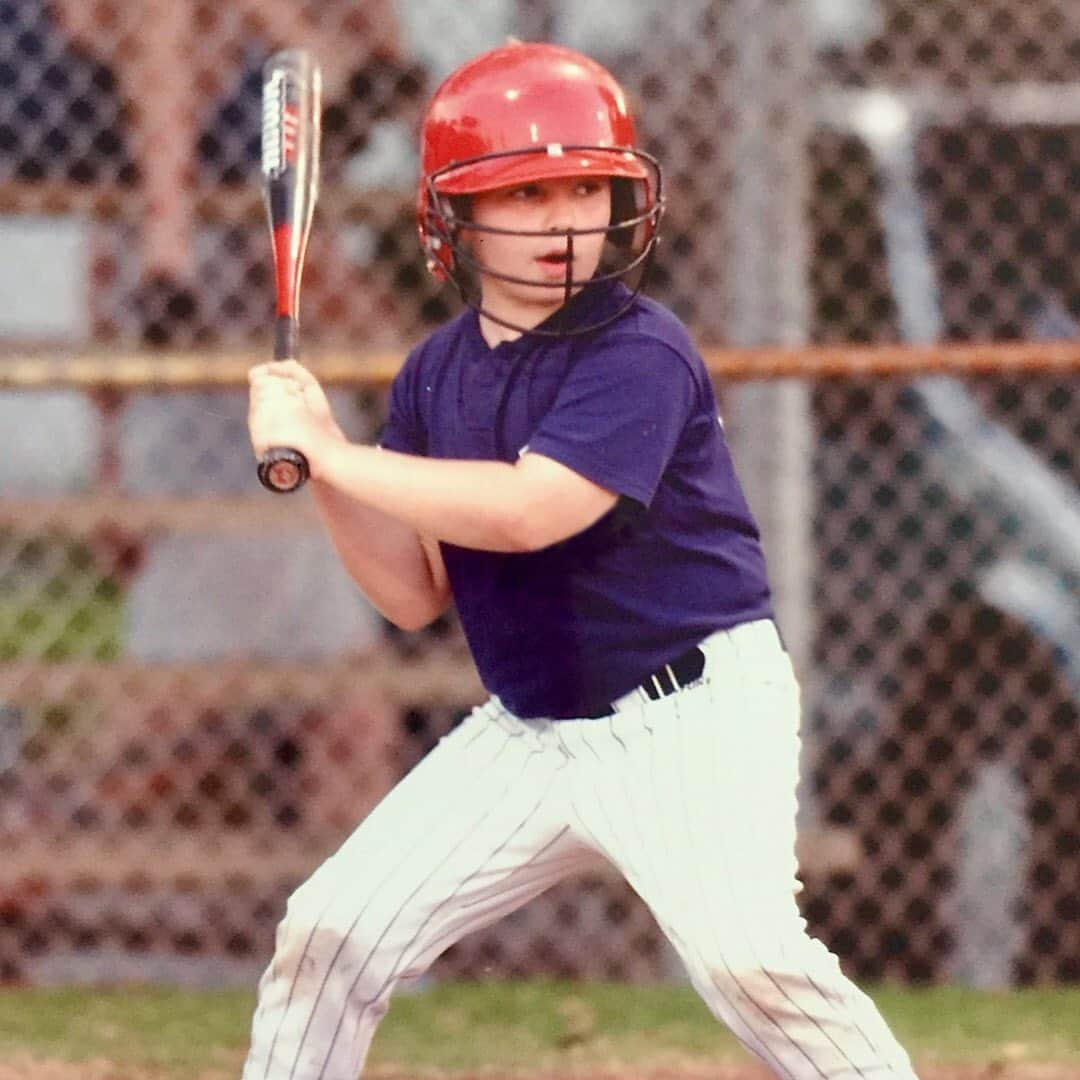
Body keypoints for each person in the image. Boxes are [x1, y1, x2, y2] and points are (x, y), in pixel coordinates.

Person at [244, 41, 918, 1079]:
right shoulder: (434, 375)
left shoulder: (639, 349)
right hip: (529, 730)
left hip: (688, 715)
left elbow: (531, 510)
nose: (564, 219)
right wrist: (328, 470)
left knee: (750, 965)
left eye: (585, 188)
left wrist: (344, 456)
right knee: (330, 934)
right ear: (454, 216)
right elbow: (413, 593)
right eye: (525, 193)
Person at [48, 0, 413, 343]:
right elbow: (80, 23)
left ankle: (410, 116)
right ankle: (327, 64)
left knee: (311, 263)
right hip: (121, 82)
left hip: (239, 74)